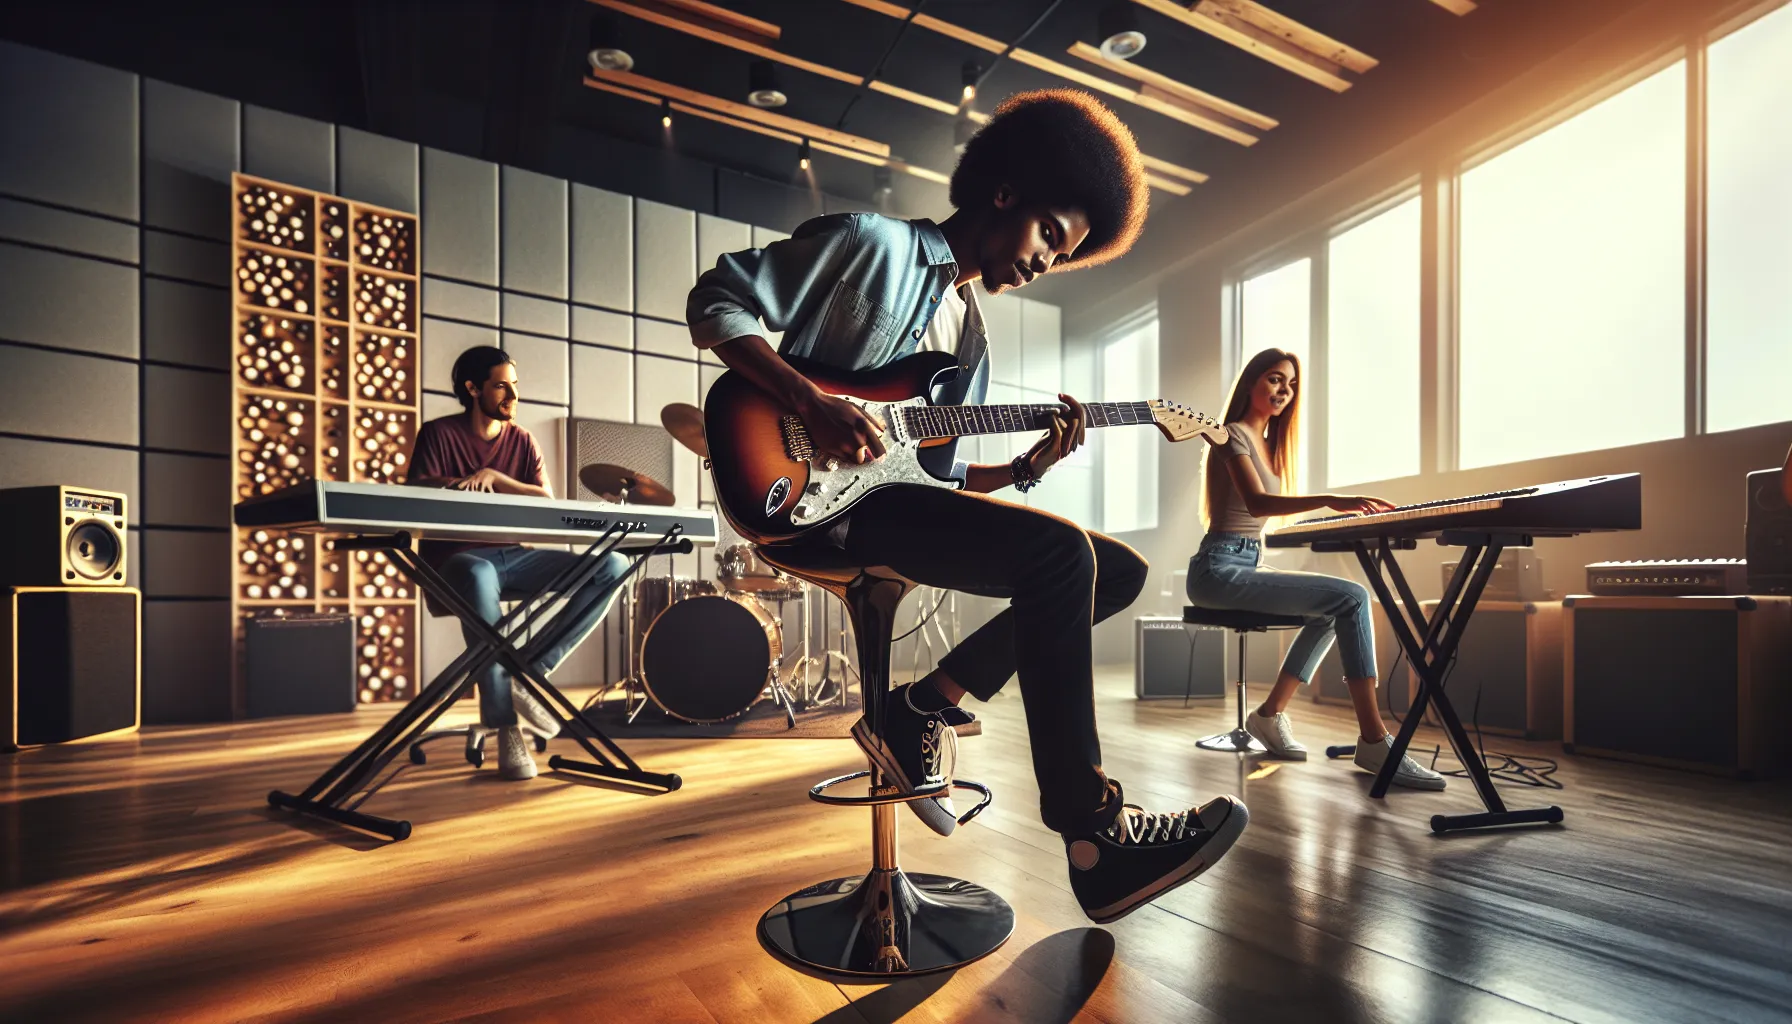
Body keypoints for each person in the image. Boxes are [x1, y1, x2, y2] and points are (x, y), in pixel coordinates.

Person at [687, 89, 1248, 925]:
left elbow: (934, 480)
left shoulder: (972, 341)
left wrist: (1025, 467)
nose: (1046, 262)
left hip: (890, 502)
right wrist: (808, 399)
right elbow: (716, 302)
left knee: (1120, 571)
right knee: (1063, 558)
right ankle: (1094, 837)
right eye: (1050, 236)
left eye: (1064, 258)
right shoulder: (867, 243)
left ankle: (923, 704)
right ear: (1005, 192)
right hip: (811, 499)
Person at [1184, 347, 1445, 789]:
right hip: (1217, 569)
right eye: (1274, 379)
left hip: (1248, 558)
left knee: (1334, 607)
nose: (1284, 389)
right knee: (1353, 596)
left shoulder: (1269, 445)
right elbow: (1258, 504)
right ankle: (1375, 741)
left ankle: (1268, 716)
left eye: (1290, 383)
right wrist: (1330, 499)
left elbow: (1262, 517)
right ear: (1251, 382)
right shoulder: (1230, 435)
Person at [407, 345, 628, 781]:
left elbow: (543, 498)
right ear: (473, 389)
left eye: (515, 385)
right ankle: (508, 725)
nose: (512, 395)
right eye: (501, 386)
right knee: (477, 573)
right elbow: (418, 490)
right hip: (457, 560)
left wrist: (496, 479)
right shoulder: (437, 434)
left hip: (515, 557)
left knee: (614, 564)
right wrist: (461, 484)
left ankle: (529, 673)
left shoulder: (522, 440)